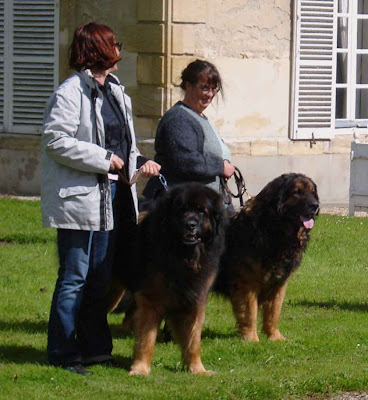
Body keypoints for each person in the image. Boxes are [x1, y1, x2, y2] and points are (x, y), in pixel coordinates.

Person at [41, 22, 160, 375]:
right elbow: (54, 140)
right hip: (80, 198)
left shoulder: (117, 92)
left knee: (99, 278)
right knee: (74, 277)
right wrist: (102, 158)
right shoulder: (70, 92)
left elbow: (126, 147)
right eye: (114, 44)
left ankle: (95, 350)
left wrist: (142, 164)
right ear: (99, 50)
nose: (119, 49)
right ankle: (63, 352)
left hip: (114, 196)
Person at [143, 59, 235, 205]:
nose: (210, 94)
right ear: (188, 86)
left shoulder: (199, 117)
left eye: (213, 89)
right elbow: (186, 161)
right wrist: (221, 166)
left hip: (200, 204)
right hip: (180, 207)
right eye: (204, 88)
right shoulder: (179, 118)